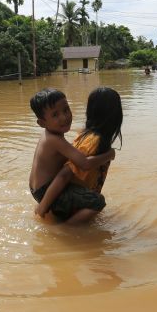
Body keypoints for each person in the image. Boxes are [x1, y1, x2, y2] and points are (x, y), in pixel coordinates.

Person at [35, 87, 123, 223]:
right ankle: (64, 231)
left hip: (42, 188)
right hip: (46, 190)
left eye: (66, 110)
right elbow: (77, 167)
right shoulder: (57, 139)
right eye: (55, 115)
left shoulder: (54, 134)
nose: (64, 117)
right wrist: (110, 154)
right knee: (97, 202)